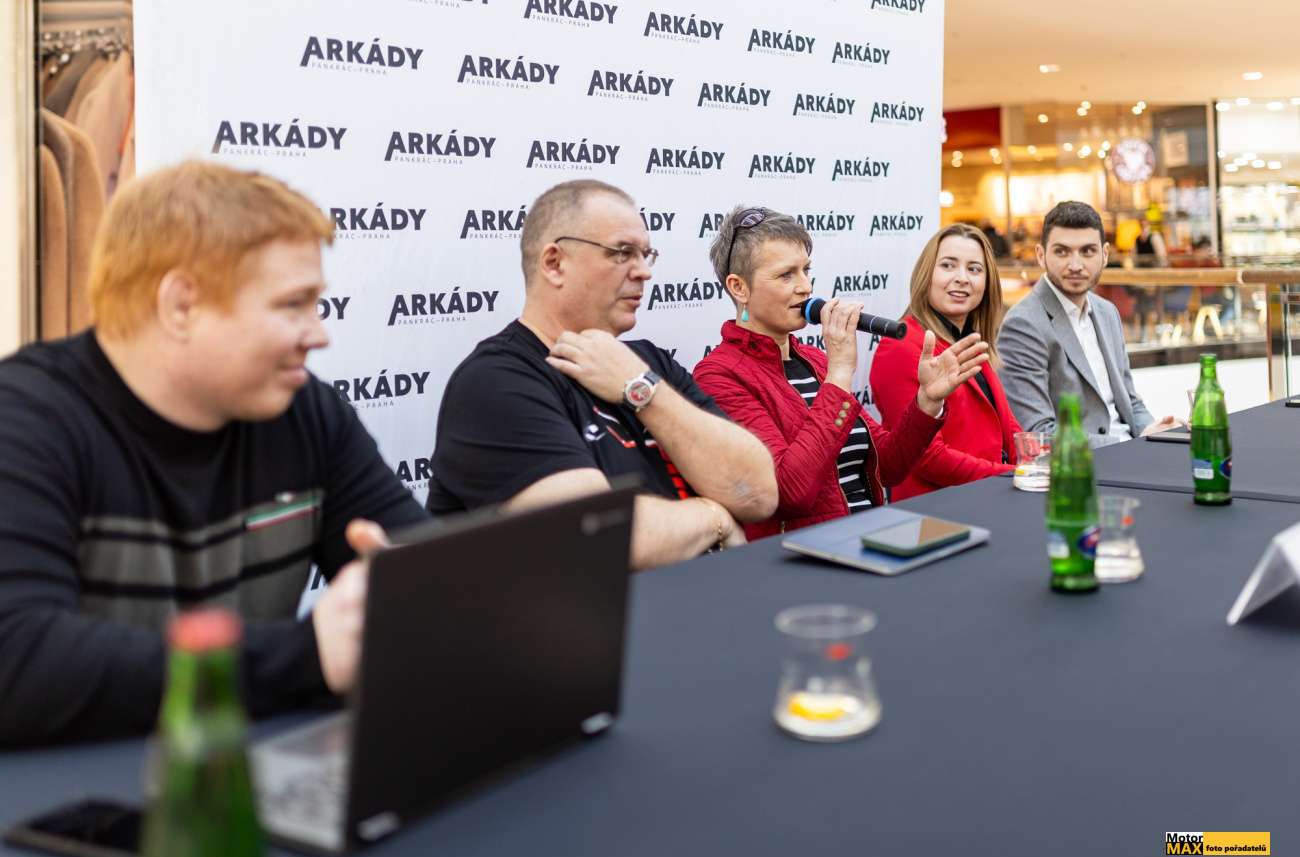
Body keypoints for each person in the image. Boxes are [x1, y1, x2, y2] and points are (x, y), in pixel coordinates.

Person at [0, 161, 430, 746]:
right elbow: (18, 660)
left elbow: (424, 572)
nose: (319, 333)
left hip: (239, 776)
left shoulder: (307, 413)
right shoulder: (27, 421)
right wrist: (303, 657)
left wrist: (417, 592)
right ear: (181, 305)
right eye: (293, 305)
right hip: (75, 794)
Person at [425, 181, 777, 568]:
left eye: (646, 254)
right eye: (622, 252)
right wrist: (713, 517)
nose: (644, 272)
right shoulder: (496, 382)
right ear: (554, 264)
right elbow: (598, 534)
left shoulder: (648, 364)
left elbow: (757, 493)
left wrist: (643, 389)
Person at [691, 206, 989, 538]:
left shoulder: (816, 361)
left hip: (868, 539)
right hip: (804, 554)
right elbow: (788, 493)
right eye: (786, 275)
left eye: (806, 270)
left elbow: (888, 466)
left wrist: (927, 402)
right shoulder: (718, 377)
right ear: (739, 288)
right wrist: (840, 373)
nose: (805, 286)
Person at [997, 201, 1181, 447]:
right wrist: (1123, 445)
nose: (1075, 265)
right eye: (1062, 252)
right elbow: (1039, 433)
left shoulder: (1107, 312)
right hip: (1080, 463)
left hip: (1131, 450)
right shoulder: (1022, 325)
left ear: (1105, 255)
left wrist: (1151, 429)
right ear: (1041, 255)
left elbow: (1129, 401)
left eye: (1087, 251)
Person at [870, 224, 1022, 500]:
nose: (962, 278)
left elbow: (1008, 426)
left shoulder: (967, 338)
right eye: (948, 265)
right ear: (926, 274)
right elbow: (927, 457)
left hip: (993, 498)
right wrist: (1010, 475)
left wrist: (1039, 462)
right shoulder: (900, 346)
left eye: (974, 269)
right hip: (939, 510)